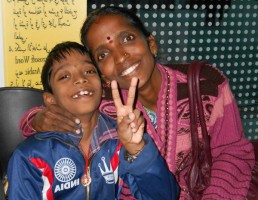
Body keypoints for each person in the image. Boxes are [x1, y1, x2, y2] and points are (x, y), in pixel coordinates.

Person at [19, 6, 255, 199]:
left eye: (128, 38)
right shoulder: (106, 100)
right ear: (101, 74)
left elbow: (232, 152)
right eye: (103, 54)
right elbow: (67, 102)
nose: (120, 56)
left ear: (151, 44)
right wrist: (36, 119)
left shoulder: (206, 84)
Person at [8, 41, 179, 200]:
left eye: (89, 71)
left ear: (101, 86)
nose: (81, 79)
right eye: (64, 76)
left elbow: (164, 196)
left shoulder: (118, 141)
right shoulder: (31, 156)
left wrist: (137, 149)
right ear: (50, 99)